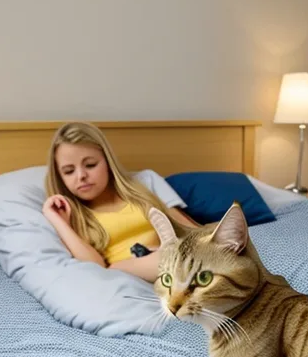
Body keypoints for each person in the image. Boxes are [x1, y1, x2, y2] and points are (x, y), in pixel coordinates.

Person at [42, 121, 197, 282]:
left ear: (107, 162)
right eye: (69, 171)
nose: (81, 175)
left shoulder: (146, 181)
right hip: (128, 276)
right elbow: (95, 268)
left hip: (172, 259)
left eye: (90, 165)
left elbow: (188, 229)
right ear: (60, 177)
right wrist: (57, 220)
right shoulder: (70, 214)